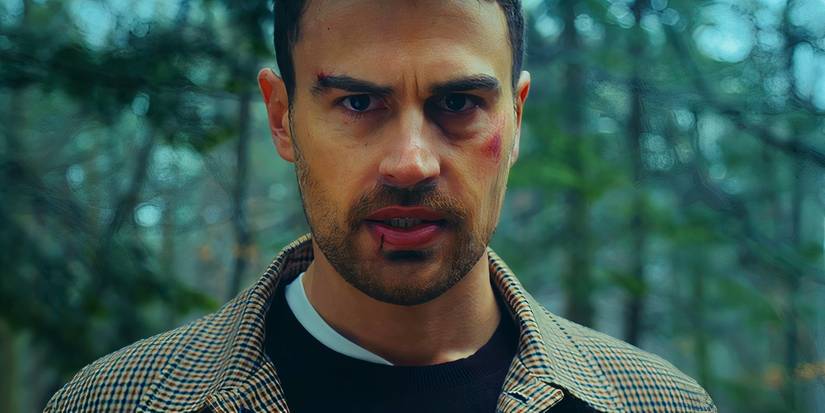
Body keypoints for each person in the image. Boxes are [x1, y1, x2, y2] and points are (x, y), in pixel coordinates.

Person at [45, 0, 717, 412]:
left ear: (515, 119)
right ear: (281, 118)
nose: (410, 163)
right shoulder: (115, 403)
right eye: (359, 102)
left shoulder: (658, 405)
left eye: (458, 103)